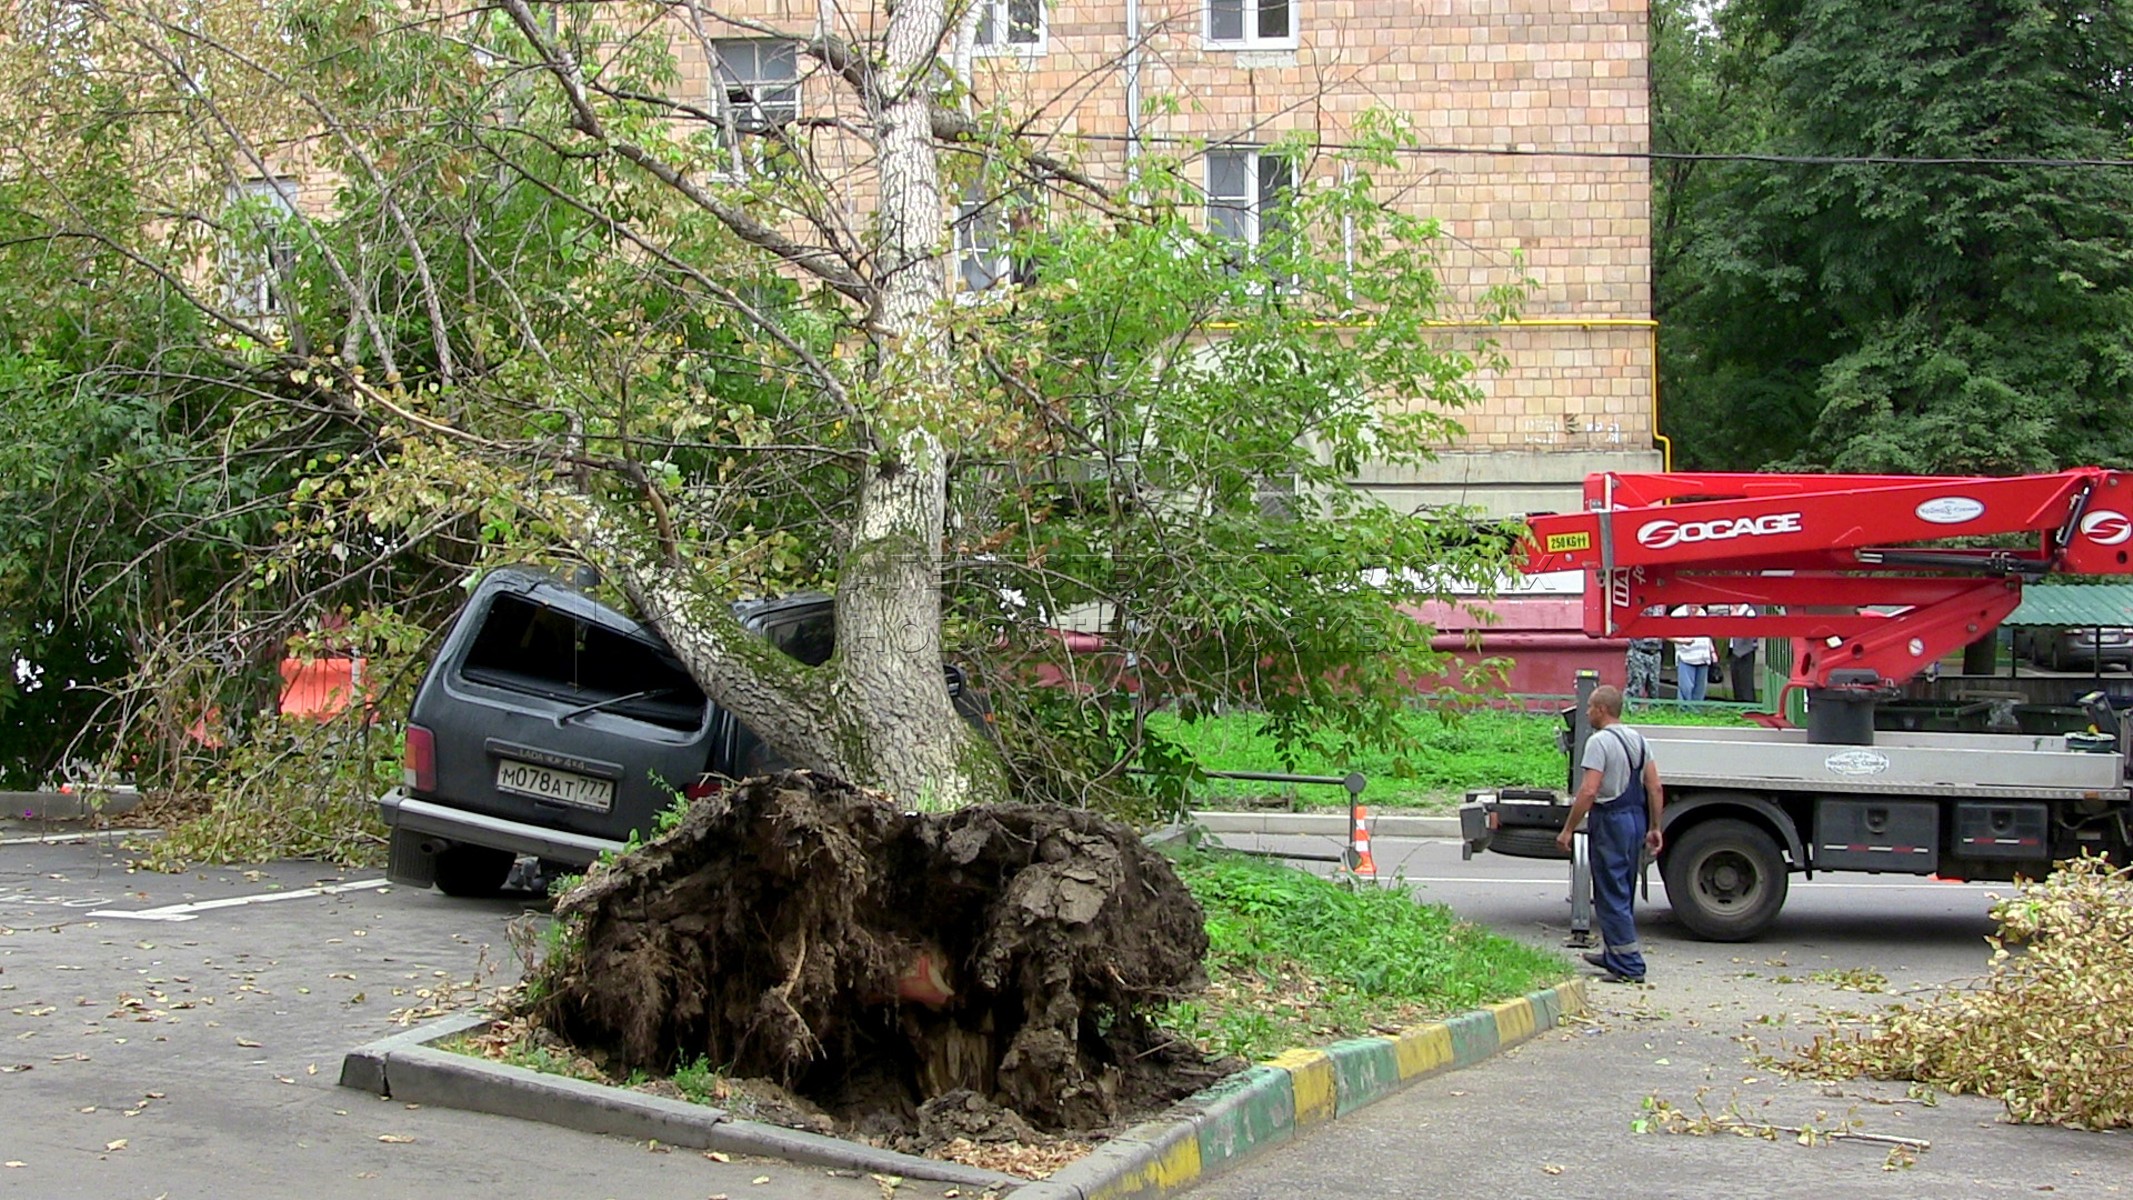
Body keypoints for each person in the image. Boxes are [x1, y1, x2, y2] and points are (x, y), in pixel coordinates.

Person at [1556, 685, 1664, 983]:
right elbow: (1654, 786)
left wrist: (1568, 829)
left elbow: (1590, 789)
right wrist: (1655, 827)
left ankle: (1629, 966)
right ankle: (1614, 953)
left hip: (1610, 821)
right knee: (1624, 889)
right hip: (1635, 819)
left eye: (1590, 707)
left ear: (1602, 709)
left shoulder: (1598, 742)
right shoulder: (1639, 740)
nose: (1587, 712)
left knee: (1610, 893)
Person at [1670, 606, 1715, 703]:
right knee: (1686, 689)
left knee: (1700, 690)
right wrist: (1683, 641)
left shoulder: (1703, 613)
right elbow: (1667, 635)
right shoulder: (1677, 614)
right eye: (1692, 605)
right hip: (1686, 657)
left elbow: (1707, 635)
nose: (1694, 607)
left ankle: (1696, 714)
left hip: (1703, 658)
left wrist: (1712, 651)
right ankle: (1684, 715)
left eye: (1697, 605)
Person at [1727, 604, 1759, 704]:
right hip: (1734, 651)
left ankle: (1749, 707)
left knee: (1746, 683)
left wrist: (1738, 620)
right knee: (1736, 682)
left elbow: (1752, 632)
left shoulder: (1749, 612)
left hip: (1745, 652)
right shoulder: (1733, 612)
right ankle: (1738, 705)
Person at [1625, 635, 1664, 699]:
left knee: (1654, 688)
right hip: (1638, 652)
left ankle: (1654, 708)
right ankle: (1631, 707)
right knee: (1635, 687)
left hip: (1655, 653)